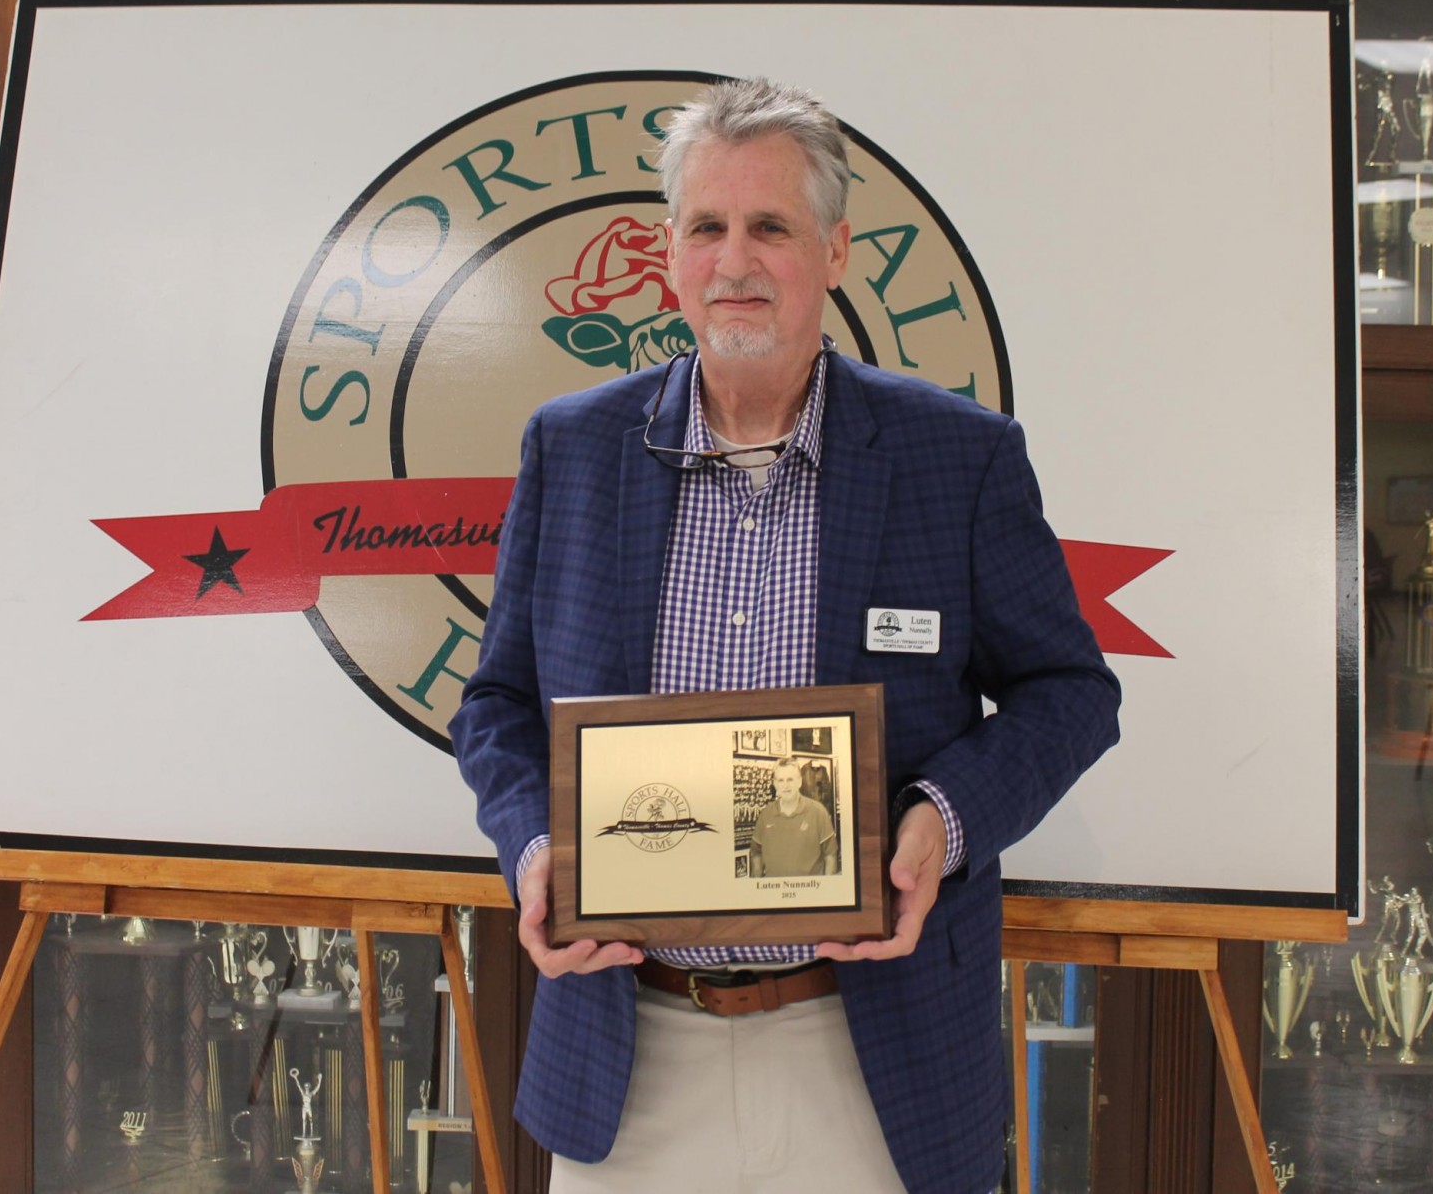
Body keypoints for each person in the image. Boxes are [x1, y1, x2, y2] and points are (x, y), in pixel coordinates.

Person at [450, 76, 1120, 1194]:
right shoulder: (571, 449)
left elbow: (1070, 691)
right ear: (669, 253)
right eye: (706, 227)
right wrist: (534, 854)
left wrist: (940, 820)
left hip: (873, 1055)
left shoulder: (959, 458)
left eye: (770, 226)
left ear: (836, 250)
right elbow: (498, 706)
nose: (735, 260)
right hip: (627, 1055)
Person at [749, 757, 835, 877]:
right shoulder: (766, 814)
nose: (785, 785)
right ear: (775, 784)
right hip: (774, 887)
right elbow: (756, 852)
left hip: (809, 887)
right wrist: (757, 880)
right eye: (781, 780)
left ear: (799, 782)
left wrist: (827, 886)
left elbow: (830, 854)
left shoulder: (818, 812)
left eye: (790, 779)